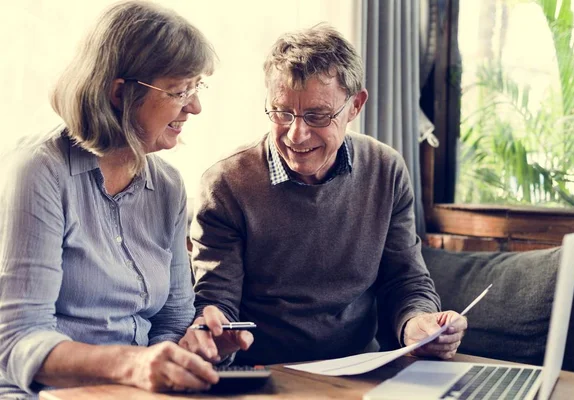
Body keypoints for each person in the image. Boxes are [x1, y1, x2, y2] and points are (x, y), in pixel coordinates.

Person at [179, 24, 468, 366]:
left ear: (355, 106)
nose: (297, 135)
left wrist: (417, 324)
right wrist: (212, 330)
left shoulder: (385, 170)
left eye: (317, 115)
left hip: (364, 368)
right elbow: (216, 299)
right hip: (267, 372)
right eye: (282, 112)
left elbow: (405, 279)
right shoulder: (226, 184)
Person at [0, 1, 220, 397]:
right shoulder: (39, 171)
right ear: (120, 93)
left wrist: (197, 344)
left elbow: (172, 322)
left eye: (196, 87)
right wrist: (131, 366)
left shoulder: (168, 187)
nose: (195, 107)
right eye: (179, 91)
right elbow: (18, 341)